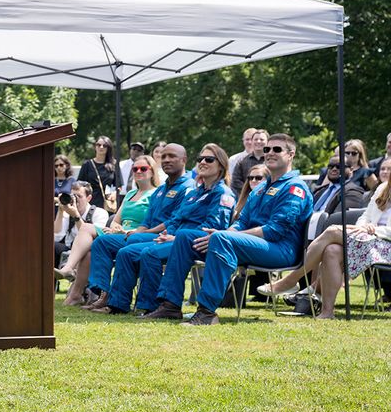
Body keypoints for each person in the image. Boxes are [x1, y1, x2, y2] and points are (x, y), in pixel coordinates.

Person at [143, 133, 314, 325]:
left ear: (290, 155)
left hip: (281, 250)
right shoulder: (259, 188)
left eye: (277, 149)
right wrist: (230, 232)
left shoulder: (294, 188)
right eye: (267, 149)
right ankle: (170, 305)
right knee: (184, 237)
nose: (270, 153)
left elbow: (275, 230)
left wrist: (226, 235)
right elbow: (241, 221)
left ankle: (207, 312)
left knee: (221, 239)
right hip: (252, 244)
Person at [100, 144, 235, 315]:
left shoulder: (222, 193)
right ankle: (118, 305)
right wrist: (167, 233)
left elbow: (212, 228)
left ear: (221, 165)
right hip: (175, 239)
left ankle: (155, 306)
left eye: (209, 159)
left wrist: (175, 237)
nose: (202, 162)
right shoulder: (194, 193)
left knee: (150, 253)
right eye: (200, 159)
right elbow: (176, 219)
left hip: (197, 244)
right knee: (127, 252)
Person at [83, 144, 195, 311]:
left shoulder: (188, 187)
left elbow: (174, 221)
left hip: (168, 237)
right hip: (147, 235)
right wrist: (137, 230)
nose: (166, 160)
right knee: (103, 242)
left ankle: (126, 302)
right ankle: (106, 295)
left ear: (184, 160)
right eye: (163, 157)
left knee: (128, 248)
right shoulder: (161, 190)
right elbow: (146, 220)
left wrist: (140, 233)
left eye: (172, 156)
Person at [257, 180, 391, 319]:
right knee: (332, 250)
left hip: (386, 244)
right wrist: (363, 226)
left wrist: (375, 230)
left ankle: (290, 280)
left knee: (332, 231)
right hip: (368, 239)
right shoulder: (383, 187)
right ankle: (327, 312)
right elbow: (365, 216)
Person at [55, 155, 158, 306]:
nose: (138, 171)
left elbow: (152, 222)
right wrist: (116, 227)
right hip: (118, 233)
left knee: (90, 235)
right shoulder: (130, 194)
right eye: (135, 168)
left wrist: (130, 231)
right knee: (88, 242)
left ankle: (72, 272)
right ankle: (76, 292)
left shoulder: (156, 193)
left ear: (152, 171)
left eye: (143, 168)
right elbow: (116, 219)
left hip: (136, 235)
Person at [54, 181, 110, 272]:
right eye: (73, 196)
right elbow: (56, 236)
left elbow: (94, 237)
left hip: (89, 251)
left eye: (79, 196)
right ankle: (50, 283)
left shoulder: (100, 213)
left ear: (89, 198)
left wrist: (76, 216)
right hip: (69, 248)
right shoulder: (68, 211)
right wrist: (60, 211)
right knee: (52, 247)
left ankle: (70, 269)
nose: (75, 200)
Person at [80, 136, 116, 211]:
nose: (101, 147)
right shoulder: (87, 164)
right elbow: (79, 184)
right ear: (95, 147)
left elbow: (119, 185)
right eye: (98, 145)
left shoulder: (114, 165)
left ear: (108, 148)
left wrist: (114, 194)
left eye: (104, 145)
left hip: (108, 204)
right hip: (90, 203)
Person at [229, 128, 267, 195]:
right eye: (256, 139)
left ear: (267, 142)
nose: (258, 141)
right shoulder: (242, 161)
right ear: (252, 141)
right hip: (247, 199)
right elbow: (235, 182)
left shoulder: (272, 160)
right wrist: (250, 192)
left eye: (262, 139)